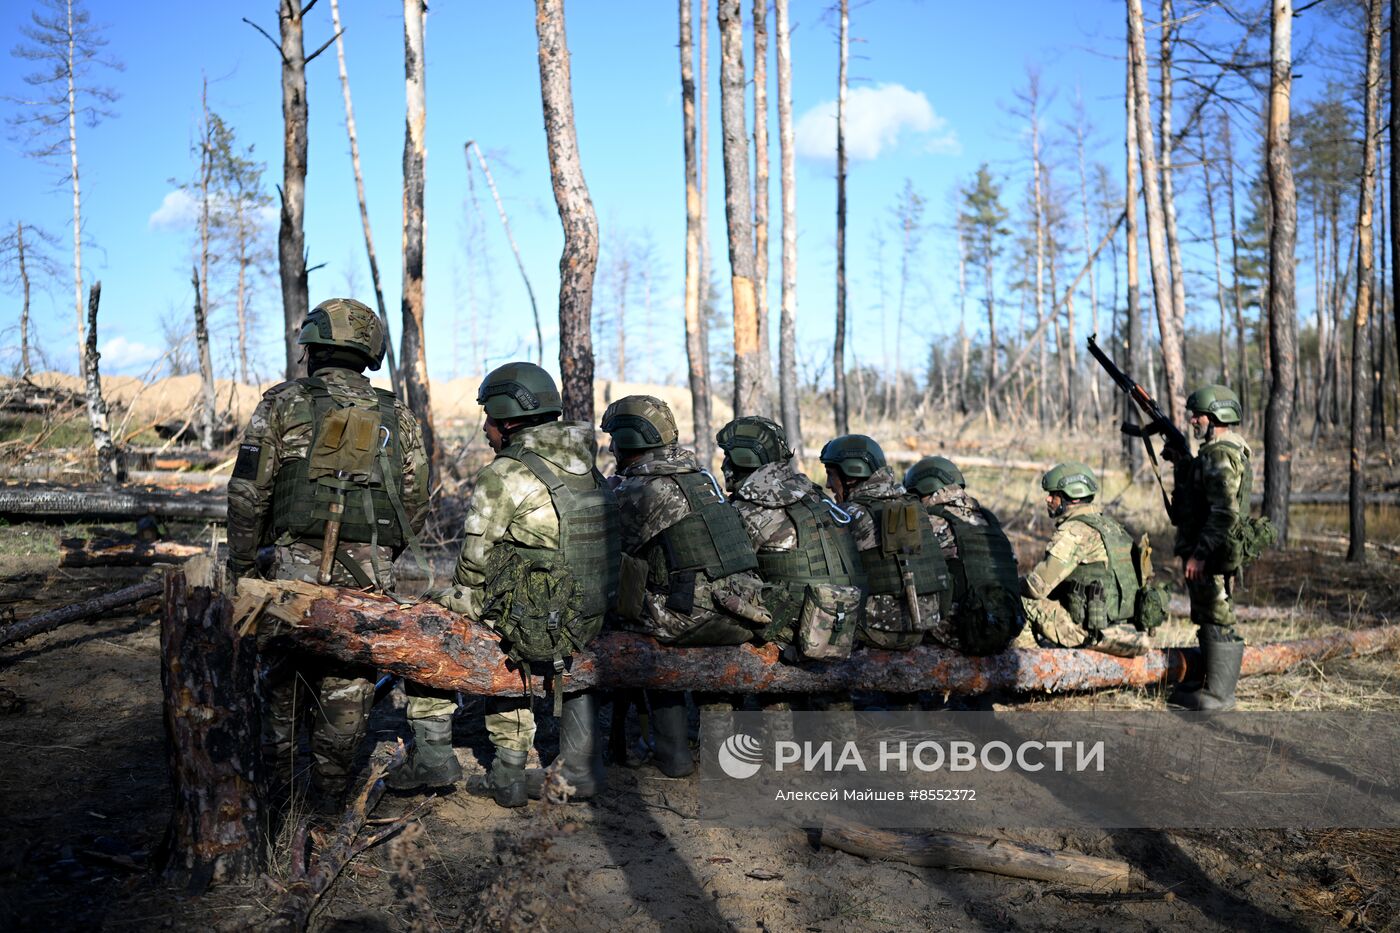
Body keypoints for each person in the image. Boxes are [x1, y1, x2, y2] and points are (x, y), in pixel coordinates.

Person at [226, 297, 429, 807]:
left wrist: (244, 567)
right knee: (348, 690)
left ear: (312, 349)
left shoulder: (282, 402)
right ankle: (328, 806)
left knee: (278, 687)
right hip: (366, 581)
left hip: (287, 576)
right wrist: (381, 556)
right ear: (370, 353)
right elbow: (416, 504)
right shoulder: (398, 417)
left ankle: (272, 806)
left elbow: (248, 494)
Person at [431, 362, 620, 807]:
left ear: (509, 419)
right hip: (594, 612)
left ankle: (504, 772)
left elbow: (473, 564)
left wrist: (452, 599)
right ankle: (581, 765)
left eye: (490, 421)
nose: (485, 430)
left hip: (539, 622)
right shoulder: (586, 465)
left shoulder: (505, 474)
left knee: (440, 616)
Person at [602, 395, 769, 777]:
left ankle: (669, 753)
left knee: (619, 615)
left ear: (631, 441)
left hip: (690, 615)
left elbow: (607, 549)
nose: (610, 447)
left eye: (614, 438)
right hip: (743, 607)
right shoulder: (701, 478)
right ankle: (710, 756)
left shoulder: (643, 490)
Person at [717, 417, 865, 664]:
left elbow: (722, 571)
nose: (723, 465)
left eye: (728, 455)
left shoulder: (753, 508)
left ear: (744, 457)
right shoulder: (813, 494)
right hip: (843, 622)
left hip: (791, 634)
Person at [1166, 384, 1258, 710]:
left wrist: (1200, 554)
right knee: (1208, 612)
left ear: (1217, 416)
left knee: (1218, 615)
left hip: (1214, 553)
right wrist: (1181, 464)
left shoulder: (1220, 454)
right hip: (1213, 550)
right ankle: (1209, 682)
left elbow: (1224, 511)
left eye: (1199, 415)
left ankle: (1220, 695)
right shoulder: (1215, 451)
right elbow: (1199, 500)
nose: (1193, 421)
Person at [818, 435, 952, 653]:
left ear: (851, 475)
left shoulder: (852, 514)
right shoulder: (914, 506)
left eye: (831, 475)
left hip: (878, 631)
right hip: (923, 627)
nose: (828, 485)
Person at [1018, 463, 1149, 657]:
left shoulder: (1074, 531)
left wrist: (1008, 583)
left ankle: (1031, 669)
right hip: (1134, 635)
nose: (1048, 499)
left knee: (1022, 600)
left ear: (1073, 496)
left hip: (1095, 634)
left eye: (1054, 494)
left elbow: (1036, 587)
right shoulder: (1113, 527)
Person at [904, 456, 1023, 655]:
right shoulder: (988, 519)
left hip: (960, 631)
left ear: (924, 489)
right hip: (1006, 629)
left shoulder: (931, 521)